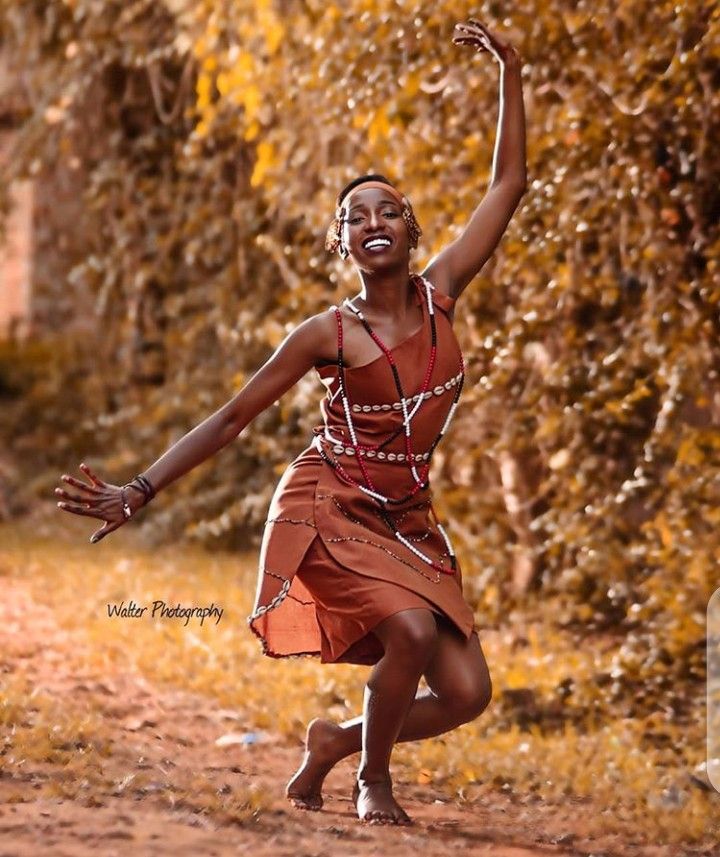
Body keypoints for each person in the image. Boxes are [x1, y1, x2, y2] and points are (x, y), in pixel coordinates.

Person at [55, 18, 526, 825]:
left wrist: (510, 74)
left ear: (412, 231)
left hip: (409, 521)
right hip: (330, 504)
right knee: (409, 630)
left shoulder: (443, 293)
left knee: (467, 693)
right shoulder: (326, 334)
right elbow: (234, 415)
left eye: (389, 210)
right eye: (356, 215)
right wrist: (140, 487)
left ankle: (335, 742)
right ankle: (374, 782)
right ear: (341, 242)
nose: (374, 221)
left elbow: (507, 185)